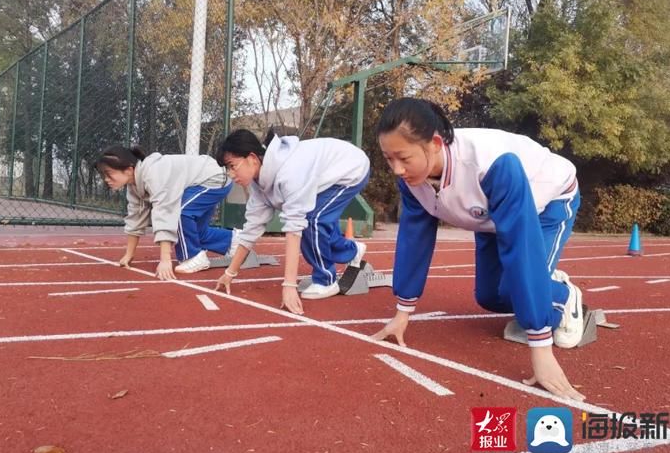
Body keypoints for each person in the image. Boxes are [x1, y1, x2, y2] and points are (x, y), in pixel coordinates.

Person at [371, 98, 586, 401]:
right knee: (489, 297)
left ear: (434, 143)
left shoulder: (492, 165)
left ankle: (563, 296)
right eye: (387, 158)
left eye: (403, 158)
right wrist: (401, 314)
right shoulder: (412, 180)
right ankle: (544, 292)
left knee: (518, 285)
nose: (396, 169)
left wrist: (541, 349)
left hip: (544, 205)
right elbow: (414, 238)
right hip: (487, 213)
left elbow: (520, 244)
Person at [214, 129, 370, 315]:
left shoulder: (289, 173)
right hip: (326, 174)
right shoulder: (258, 187)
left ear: (252, 158)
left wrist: (289, 285)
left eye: (233, 166)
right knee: (317, 221)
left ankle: (326, 280)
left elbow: (294, 229)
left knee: (313, 221)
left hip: (351, 168)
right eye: (227, 169)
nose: (231, 174)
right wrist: (230, 273)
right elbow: (251, 231)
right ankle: (352, 250)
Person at [95, 145, 236, 280]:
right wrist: (129, 254)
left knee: (180, 212)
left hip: (214, 179)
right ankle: (235, 242)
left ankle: (193, 257)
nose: (106, 180)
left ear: (128, 169)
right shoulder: (134, 187)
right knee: (196, 232)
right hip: (203, 181)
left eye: (109, 174)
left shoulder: (154, 175)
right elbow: (135, 219)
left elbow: (165, 213)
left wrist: (165, 260)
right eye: (103, 176)